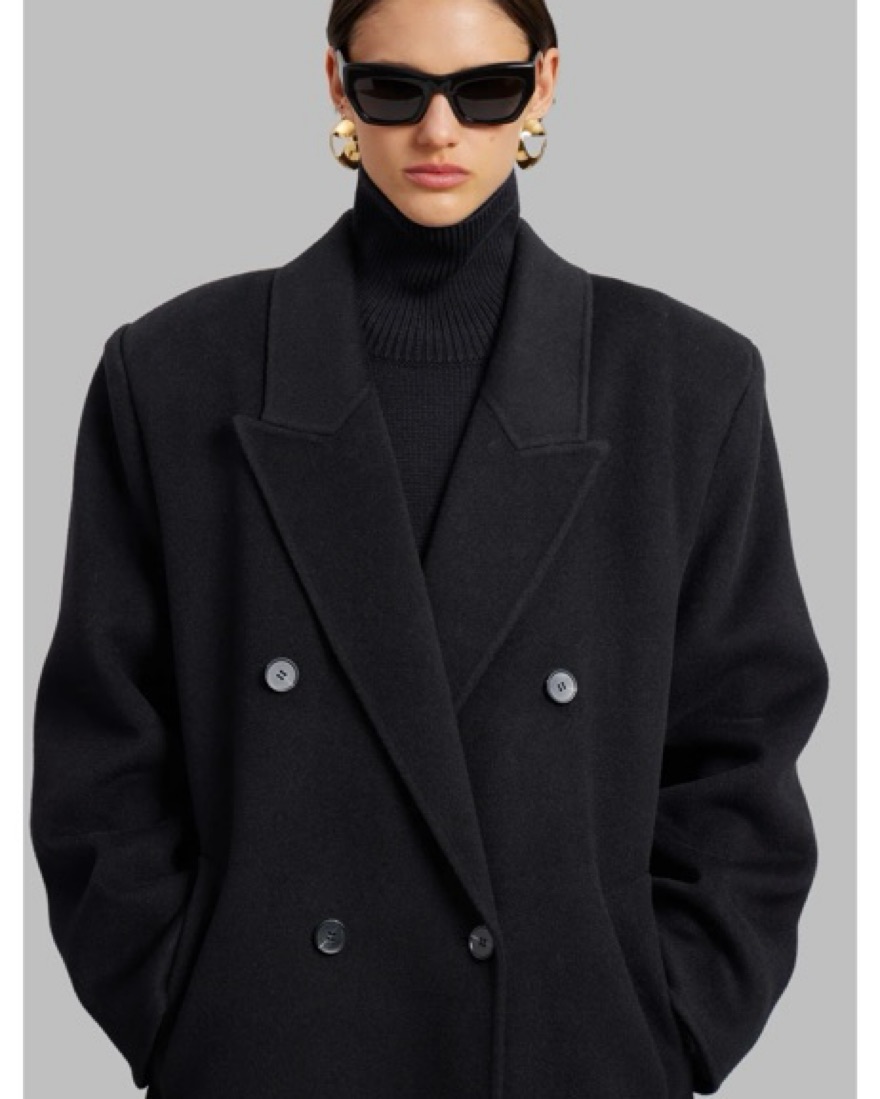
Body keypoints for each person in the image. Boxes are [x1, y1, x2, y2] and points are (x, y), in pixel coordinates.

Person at [29, 0, 829, 1096]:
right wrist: (180, 1008)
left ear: (545, 85)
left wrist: (670, 1020)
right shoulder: (173, 376)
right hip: (274, 1054)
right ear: (337, 85)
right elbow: (99, 751)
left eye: (485, 90)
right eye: (394, 89)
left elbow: (744, 742)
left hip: (564, 1055)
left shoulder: (685, 386)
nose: (437, 130)